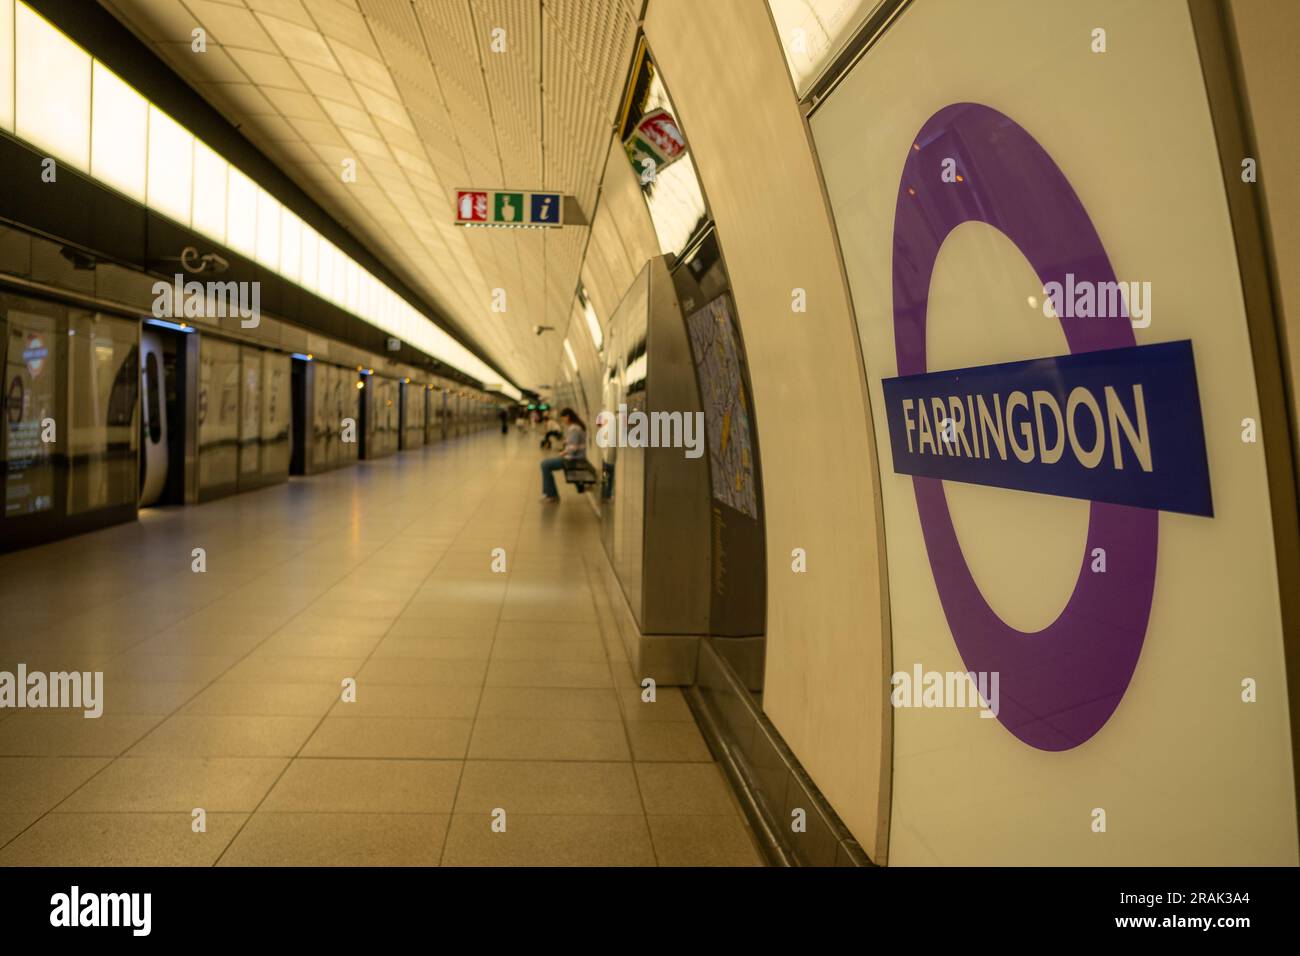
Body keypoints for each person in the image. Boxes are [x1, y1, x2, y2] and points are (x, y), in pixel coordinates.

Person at [540, 408, 587, 502]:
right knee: (545, 464)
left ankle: (551, 495)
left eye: (563, 418)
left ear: (568, 417)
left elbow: (573, 448)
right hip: (575, 457)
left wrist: (562, 453)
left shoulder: (574, 428)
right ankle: (550, 494)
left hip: (573, 459)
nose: (563, 421)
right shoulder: (577, 427)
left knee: (545, 464)